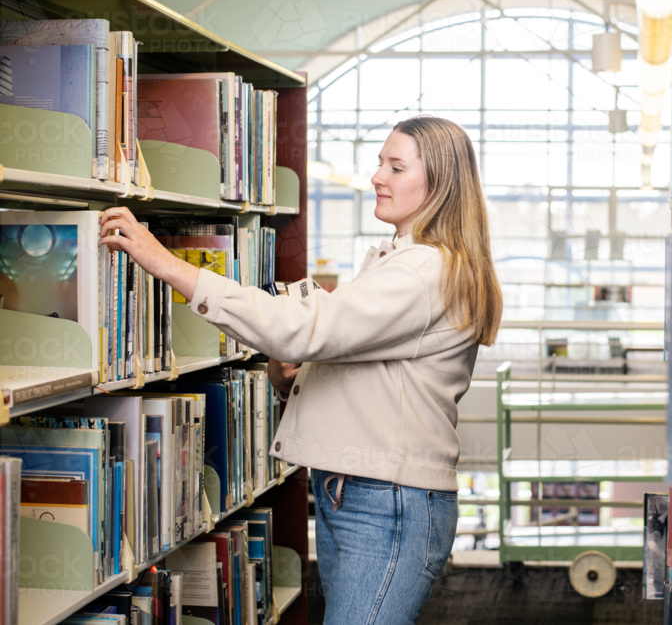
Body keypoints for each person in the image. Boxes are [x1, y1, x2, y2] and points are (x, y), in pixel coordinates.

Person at [100, 116, 503, 624]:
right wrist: (293, 377)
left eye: (396, 167)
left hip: (386, 503)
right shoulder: (400, 261)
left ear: (441, 183)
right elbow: (352, 362)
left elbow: (302, 329)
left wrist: (168, 266)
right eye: (380, 162)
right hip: (361, 493)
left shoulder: (423, 270)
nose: (377, 177)